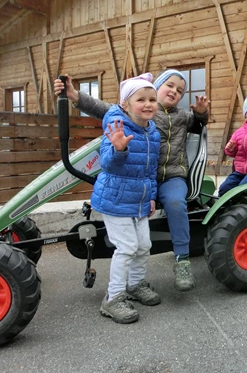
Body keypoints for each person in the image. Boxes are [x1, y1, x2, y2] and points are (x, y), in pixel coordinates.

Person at [54, 70, 209, 292]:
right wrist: (74, 95)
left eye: (180, 90)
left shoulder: (183, 116)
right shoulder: (142, 110)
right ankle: (127, 282)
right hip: (142, 178)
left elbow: (199, 123)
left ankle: (182, 259)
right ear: (156, 87)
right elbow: (103, 108)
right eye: (170, 85)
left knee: (176, 203)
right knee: (135, 239)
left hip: (172, 176)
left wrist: (202, 113)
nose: (174, 91)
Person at [92, 73, 161, 324]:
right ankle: (113, 297)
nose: (148, 104)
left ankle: (135, 285)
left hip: (140, 200)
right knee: (127, 247)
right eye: (140, 99)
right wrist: (119, 149)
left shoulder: (152, 132)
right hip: (115, 198)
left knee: (144, 246)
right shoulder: (116, 127)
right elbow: (107, 164)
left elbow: (151, 169)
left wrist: (151, 196)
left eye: (152, 99)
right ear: (125, 104)